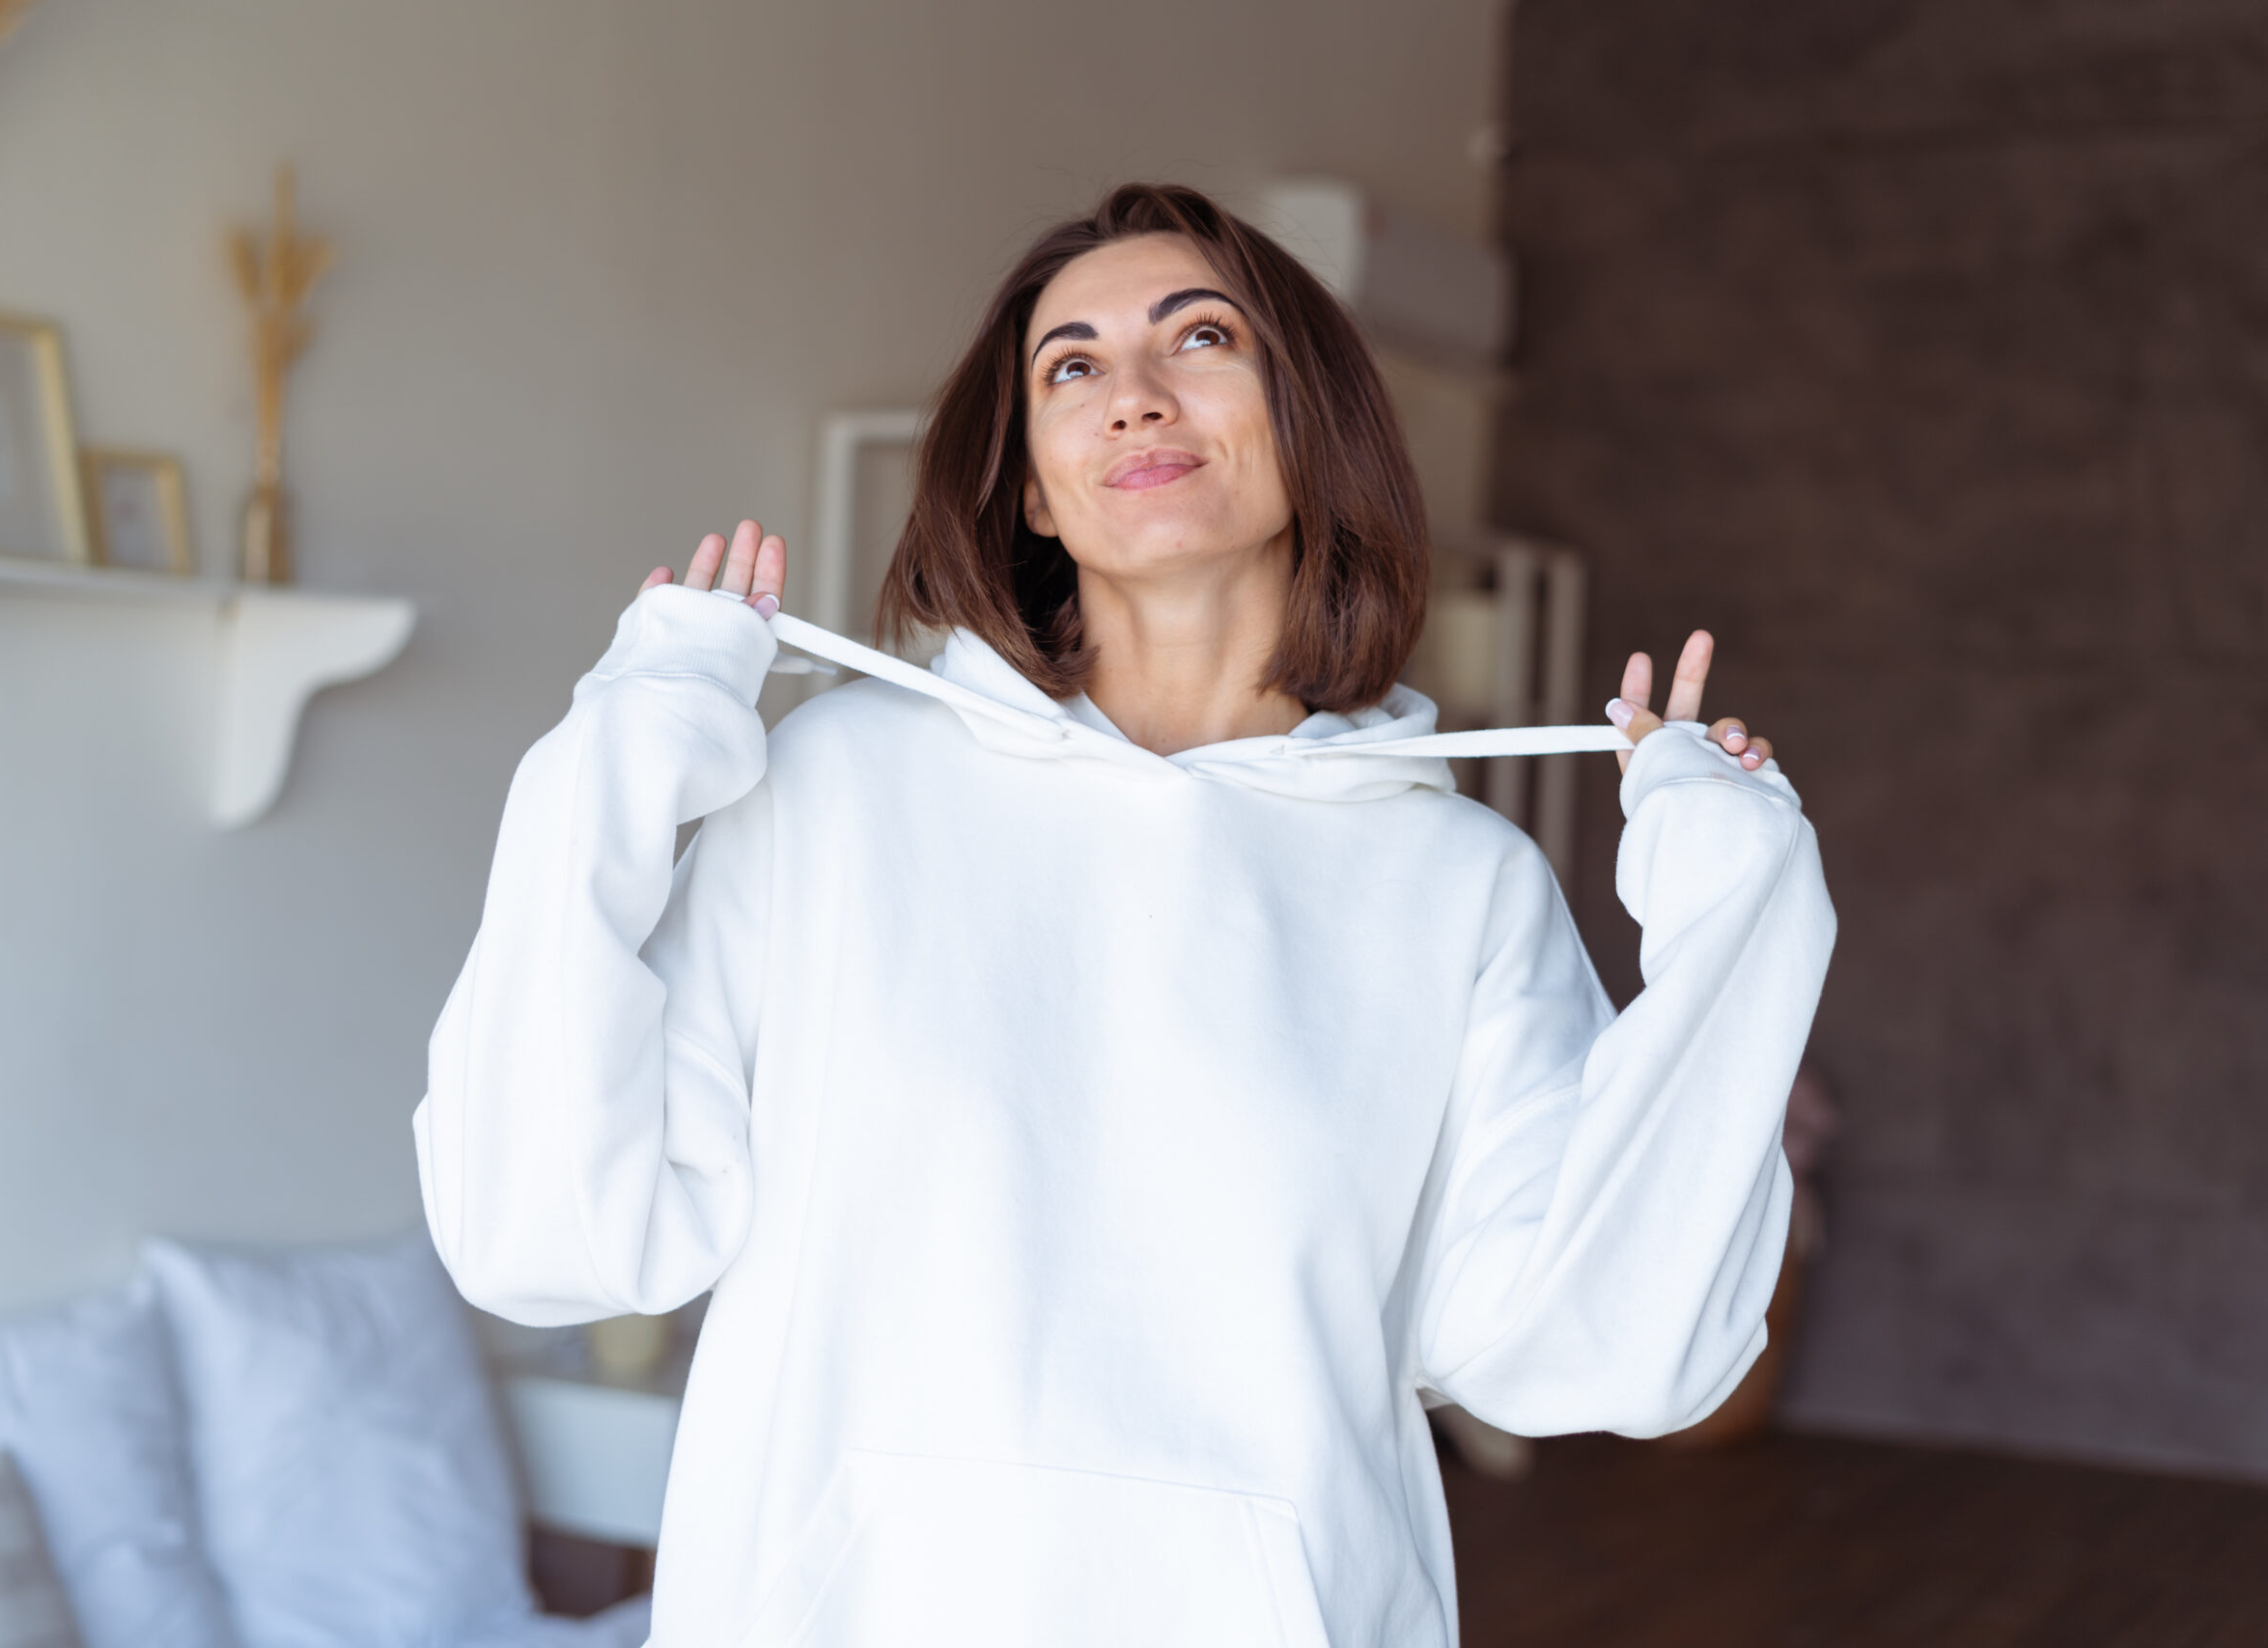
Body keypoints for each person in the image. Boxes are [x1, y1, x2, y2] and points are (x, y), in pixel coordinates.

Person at [416, 182, 1834, 1647]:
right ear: (1034, 483)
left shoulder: (1458, 884)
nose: (1134, 396)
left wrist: (1743, 922)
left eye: (1198, 337)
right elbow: (550, 1233)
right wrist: (607, 769)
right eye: (1072, 366)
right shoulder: (829, 789)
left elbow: (1600, 1349)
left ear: (1312, 423)